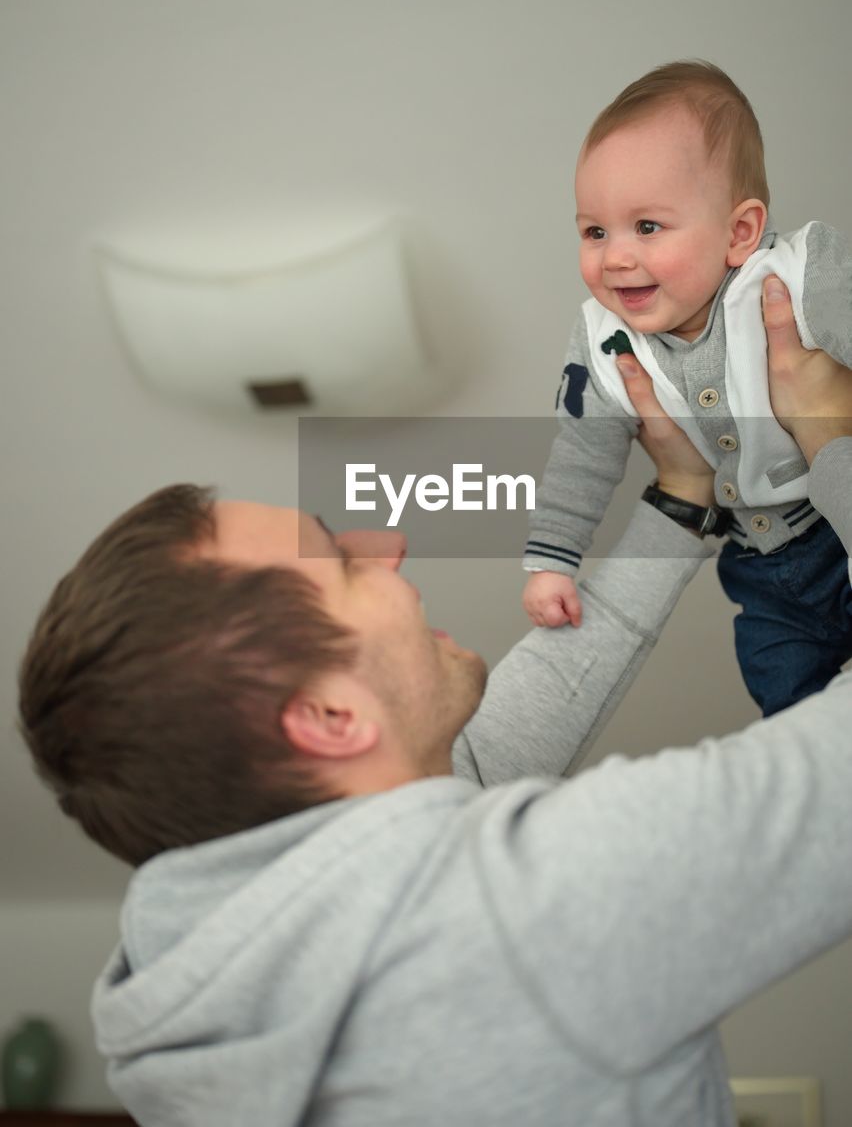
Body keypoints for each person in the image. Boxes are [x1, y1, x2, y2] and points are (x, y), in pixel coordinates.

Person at [16, 281, 852, 1127]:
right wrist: (833, 445)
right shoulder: (529, 918)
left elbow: (486, 754)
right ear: (331, 720)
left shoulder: (214, 974)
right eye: (345, 564)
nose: (389, 543)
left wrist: (680, 495)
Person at [523, 59, 852, 716]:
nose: (615, 255)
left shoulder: (795, 278)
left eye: (647, 226)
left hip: (836, 534)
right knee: (787, 711)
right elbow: (579, 458)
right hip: (759, 572)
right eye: (595, 231)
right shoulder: (603, 340)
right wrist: (551, 561)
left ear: (739, 232)